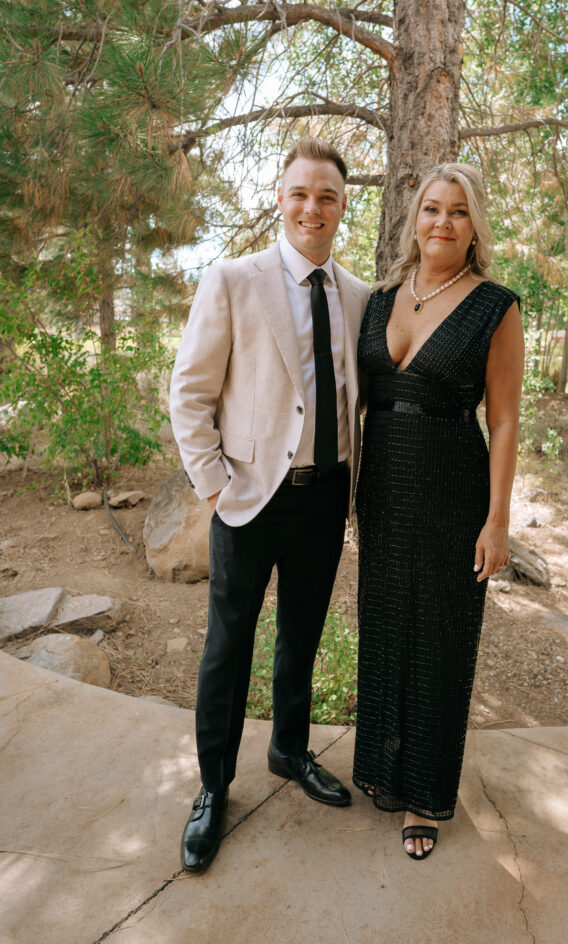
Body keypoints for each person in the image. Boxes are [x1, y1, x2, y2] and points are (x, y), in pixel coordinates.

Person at [170, 136, 371, 873]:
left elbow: (358, 402)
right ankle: (212, 788)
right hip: (248, 502)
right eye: (299, 193)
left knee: (300, 638)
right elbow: (189, 392)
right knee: (229, 648)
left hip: (324, 501)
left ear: (341, 207)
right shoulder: (231, 281)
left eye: (326, 196)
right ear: (278, 200)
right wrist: (215, 485)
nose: (311, 207)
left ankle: (289, 750)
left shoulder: (358, 295)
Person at [352, 162, 524, 859]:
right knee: (388, 628)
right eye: (430, 208)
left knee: (440, 639)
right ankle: (380, 771)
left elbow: (507, 420)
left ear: (473, 225)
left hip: (454, 489)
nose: (441, 223)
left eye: (457, 211)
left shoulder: (495, 305)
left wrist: (497, 520)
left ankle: (422, 796)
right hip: (383, 491)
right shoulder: (379, 298)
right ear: (412, 218)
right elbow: (354, 399)